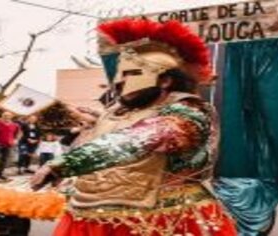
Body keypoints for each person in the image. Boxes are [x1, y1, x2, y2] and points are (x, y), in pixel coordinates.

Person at [31, 19, 237, 236]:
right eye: (121, 74)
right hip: (90, 215)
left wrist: (63, 165)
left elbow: (138, 140)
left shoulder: (189, 111)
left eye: (132, 74)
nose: (120, 82)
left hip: (162, 220)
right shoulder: (117, 112)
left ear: (165, 81)